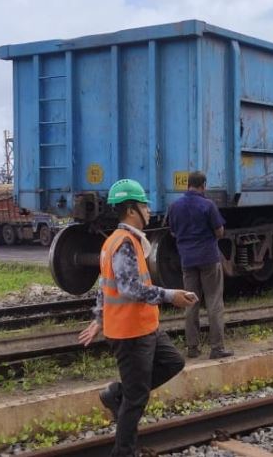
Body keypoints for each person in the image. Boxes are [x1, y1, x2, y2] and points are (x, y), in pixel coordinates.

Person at [78, 178, 197, 457]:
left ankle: (116, 393)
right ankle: (124, 452)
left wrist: (98, 317)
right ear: (132, 209)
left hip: (146, 328)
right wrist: (171, 296)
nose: (148, 209)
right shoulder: (124, 243)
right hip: (130, 334)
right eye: (144, 204)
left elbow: (103, 287)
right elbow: (130, 288)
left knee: (173, 362)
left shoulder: (119, 241)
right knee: (136, 400)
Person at [167, 171, 233, 359]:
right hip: (209, 259)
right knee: (214, 302)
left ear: (188, 185)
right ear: (203, 185)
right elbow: (219, 231)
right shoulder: (208, 205)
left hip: (187, 260)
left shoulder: (174, 206)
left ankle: (192, 348)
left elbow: (172, 232)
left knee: (191, 303)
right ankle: (217, 348)